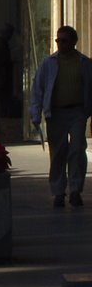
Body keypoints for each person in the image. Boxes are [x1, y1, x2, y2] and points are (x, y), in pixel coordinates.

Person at [30, 25, 92, 208]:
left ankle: (75, 190)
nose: (60, 44)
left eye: (64, 40)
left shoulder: (84, 63)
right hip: (56, 113)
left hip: (77, 112)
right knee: (58, 153)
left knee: (77, 150)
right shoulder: (49, 63)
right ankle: (58, 191)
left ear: (74, 42)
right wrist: (35, 112)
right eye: (58, 40)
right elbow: (38, 89)